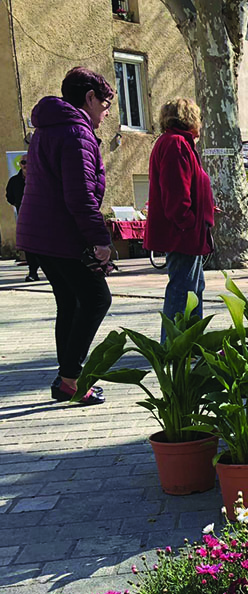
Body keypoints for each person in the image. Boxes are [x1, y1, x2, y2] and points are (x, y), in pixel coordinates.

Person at [16, 67, 115, 405]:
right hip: (60, 233)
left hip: (40, 235)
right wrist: (101, 240)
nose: (104, 115)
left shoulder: (49, 128)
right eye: (104, 106)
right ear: (89, 98)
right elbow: (80, 194)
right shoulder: (76, 133)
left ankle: (66, 380)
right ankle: (71, 378)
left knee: (70, 303)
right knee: (97, 299)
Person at [145, 98, 215, 340]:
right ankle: (175, 345)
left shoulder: (177, 143)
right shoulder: (176, 144)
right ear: (191, 119)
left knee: (193, 289)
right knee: (183, 290)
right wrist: (188, 222)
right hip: (183, 233)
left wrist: (206, 209)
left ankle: (190, 344)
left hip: (188, 231)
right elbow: (176, 192)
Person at [6, 158, 39, 281]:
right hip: (25, 218)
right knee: (29, 246)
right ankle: (33, 273)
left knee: (45, 245)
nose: (26, 165)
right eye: (23, 163)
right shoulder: (14, 181)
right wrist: (20, 205)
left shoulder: (40, 178)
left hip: (43, 217)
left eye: (28, 162)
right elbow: (9, 197)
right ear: (20, 165)